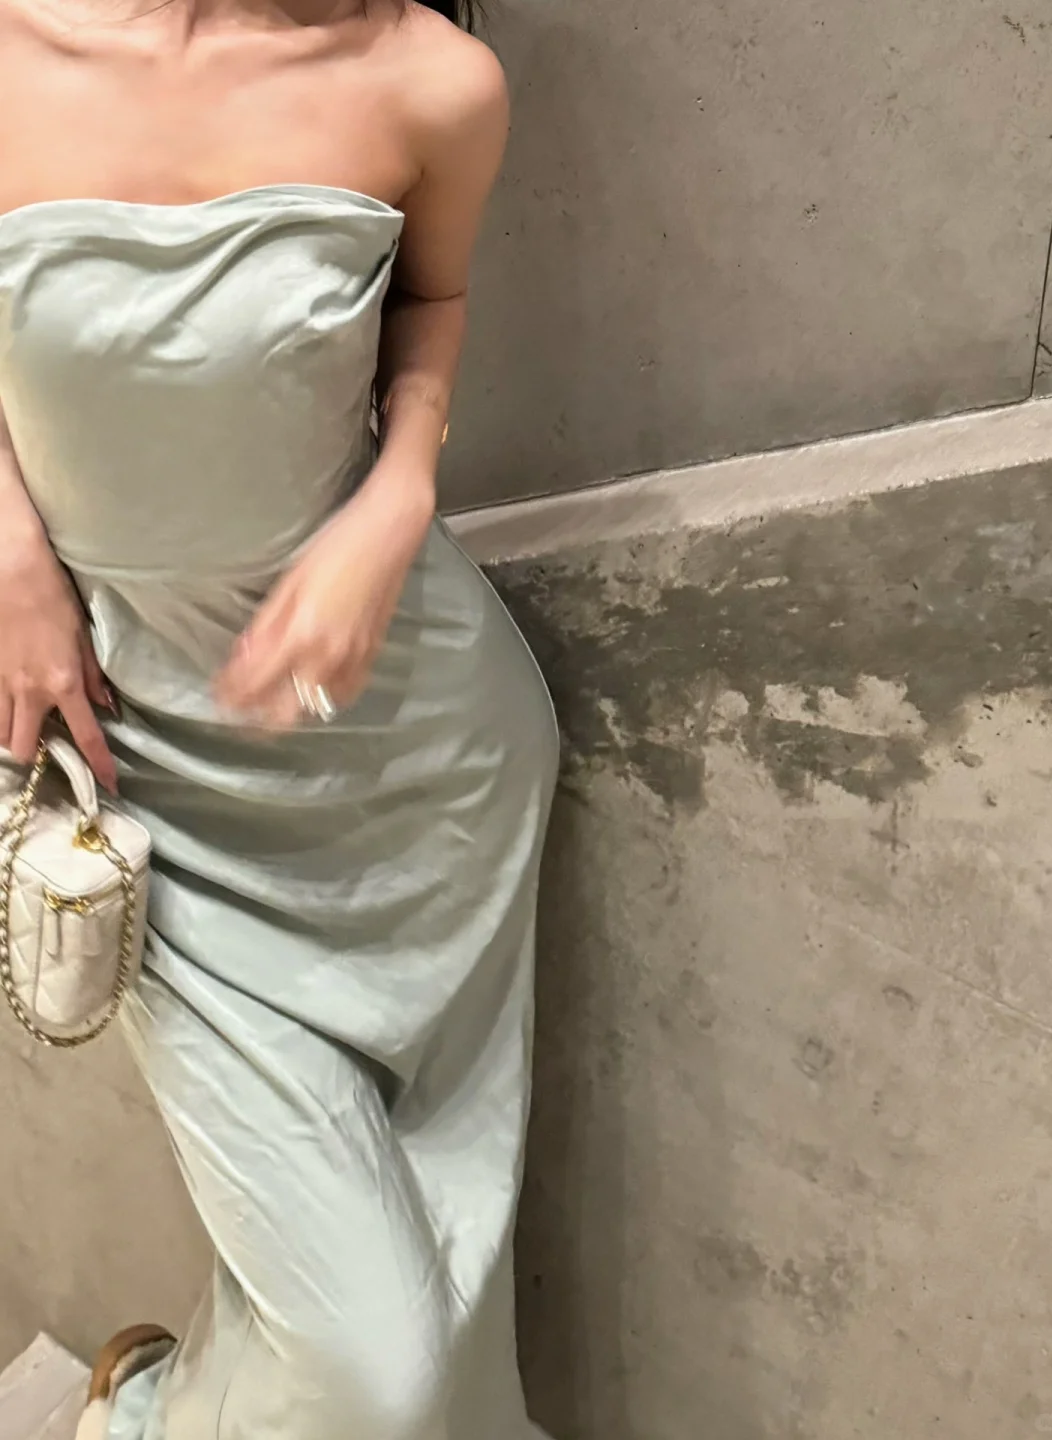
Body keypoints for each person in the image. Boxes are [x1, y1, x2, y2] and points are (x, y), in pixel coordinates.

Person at [0, 1, 558, 1436]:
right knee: (378, 1363)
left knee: (442, 1241)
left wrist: (400, 491)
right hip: (141, 776)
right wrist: (9, 553)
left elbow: (431, 301)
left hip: (418, 767)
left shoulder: (431, 82)